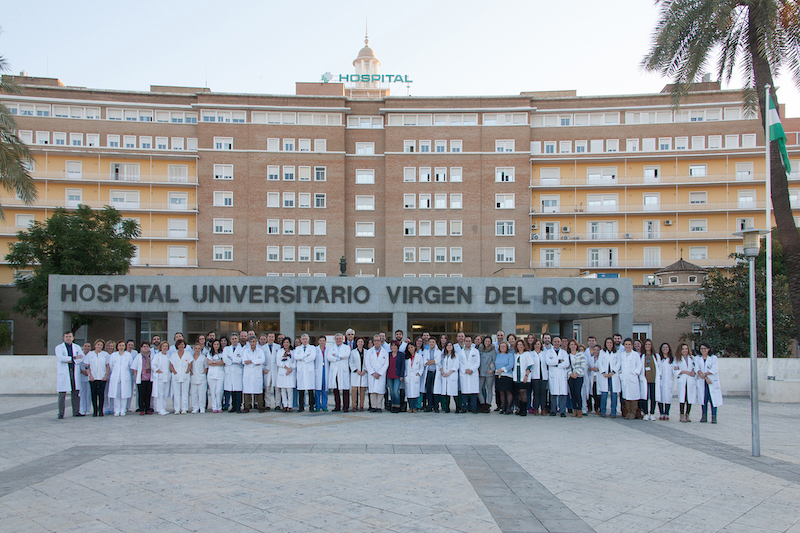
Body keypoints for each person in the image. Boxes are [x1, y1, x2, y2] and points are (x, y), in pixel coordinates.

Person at [55, 331, 85, 419]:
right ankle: (61, 413)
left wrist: (71, 360)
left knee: (75, 392)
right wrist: (74, 358)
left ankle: (76, 411)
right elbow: (61, 358)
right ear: (63, 338)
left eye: (70, 336)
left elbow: (81, 358)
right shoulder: (59, 347)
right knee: (62, 394)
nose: (68, 338)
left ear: (73, 338)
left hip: (74, 371)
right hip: (65, 372)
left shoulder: (77, 347)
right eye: (66, 336)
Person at [695, 342, 722, 423]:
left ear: (708, 349)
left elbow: (714, 369)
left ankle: (714, 417)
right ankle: (704, 416)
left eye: (705, 348)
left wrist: (705, 375)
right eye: (702, 349)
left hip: (712, 381)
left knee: (713, 399)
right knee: (704, 399)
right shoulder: (697, 358)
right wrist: (704, 376)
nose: (703, 350)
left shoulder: (713, 358)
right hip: (702, 381)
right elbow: (697, 368)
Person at [108, 340, 133, 416]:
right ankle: (116, 410)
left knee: (124, 394)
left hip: (125, 377)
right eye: (120, 345)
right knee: (116, 394)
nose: (121, 347)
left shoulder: (128, 355)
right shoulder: (113, 355)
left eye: (123, 345)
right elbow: (111, 366)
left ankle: (123, 410)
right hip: (116, 377)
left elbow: (130, 366)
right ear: (117, 346)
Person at [85, 338, 109, 417]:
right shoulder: (90, 354)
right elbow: (87, 366)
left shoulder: (105, 355)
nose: (99, 346)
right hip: (93, 378)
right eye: (98, 344)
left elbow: (107, 366)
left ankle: (101, 410)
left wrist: (106, 375)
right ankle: (95, 410)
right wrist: (89, 375)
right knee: (93, 394)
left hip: (102, 377)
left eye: (101, 345)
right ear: (95, 345)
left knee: (101, 394)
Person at [241, 335, 265, 413]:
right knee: (247, 390)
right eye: (250, 342)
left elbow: (262, 360)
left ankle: (260, 406)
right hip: (248, 373)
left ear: (256, 342)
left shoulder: (260, 350)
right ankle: (247, 406)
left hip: (256, 373)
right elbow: (244, 361)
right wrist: (255, 362)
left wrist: (251, 361)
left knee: (258, 390)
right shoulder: (245, 351)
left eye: (253, 342)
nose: (252, 343)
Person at [327, 333, 351, 412]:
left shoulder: (346, 347)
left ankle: (345, 407)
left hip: (343, 370)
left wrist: (336, 355)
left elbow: (346, 355)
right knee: (336, 389)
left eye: (340, 338)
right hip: (335, 371)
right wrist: (338, 358)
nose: (338, 340)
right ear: (334, 339)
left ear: (343, 339)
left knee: (345, 389)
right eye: (337, 338)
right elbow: (329, 357)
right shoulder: (331, 347)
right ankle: (337, 406)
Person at [546, 336, 569, 417]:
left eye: (558, 342)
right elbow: (548, 362)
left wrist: (556, 365)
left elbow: (566, 363)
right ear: (553, 342)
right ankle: (553, 410)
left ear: (560, 343)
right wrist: (559, 361)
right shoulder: (549, 352)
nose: (556, 343)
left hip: (562, 374)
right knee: (553, 394)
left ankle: (562, 411)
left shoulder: (564, 352)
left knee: (563, 393)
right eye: (555, 341)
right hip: (553, 375)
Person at [597, 337, 620, 418]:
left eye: (610, 343)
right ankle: (603, 411)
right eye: (608, 343)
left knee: (614, 394)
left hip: (613, 375)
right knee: (604, 394)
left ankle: (613, 412)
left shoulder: (617, 352)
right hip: (605, 375)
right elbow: (599, 362)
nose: (609, 344)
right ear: (605, 344)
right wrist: (603, 372)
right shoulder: (602, 352)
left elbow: (618, 363)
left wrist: (613, 372)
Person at [294, 334, 317, 412]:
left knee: (310, 391)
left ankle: (311, 406)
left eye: (306, 339)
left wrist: (302, 358)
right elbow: (296, 356)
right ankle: (301, 407)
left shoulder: (312, 348)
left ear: (308, 340)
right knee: (301, 391)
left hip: (309, 371)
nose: (304, 340)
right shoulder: (297, 348)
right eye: (303, 339)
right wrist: (305, 356)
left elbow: (312, 357)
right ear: (301, 340)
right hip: (301, 371)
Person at [620, 338, 642, 420]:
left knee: (633, 396)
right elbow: (619, 365)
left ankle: (633, 412)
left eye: (629, 344)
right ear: (624, 345)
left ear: (631, 345)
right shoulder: (622, 354)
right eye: (626, 344)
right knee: (626, 396)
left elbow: (639, 365)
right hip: (625, 378)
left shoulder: (635, 354)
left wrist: (635, 373)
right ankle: (628, 412)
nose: (627, 346)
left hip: (632, 378)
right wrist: (620, 374)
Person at [366, 334, 389, 413]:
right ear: (373, 342)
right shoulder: (369, 352)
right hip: (372, 375)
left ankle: (379, 406)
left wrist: (379, 373)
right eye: (375, 341)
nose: (376, 342)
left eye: (378, 341)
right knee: (372, 391)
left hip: (380, 375)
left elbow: (386, 364)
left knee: (380, 391)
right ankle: (373, 406)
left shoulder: (385, 352)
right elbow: (367, 363)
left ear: (381, 342)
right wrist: (373, 373)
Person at [434, 341, 459, 413]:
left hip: (452, 375)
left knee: (454, 393)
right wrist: (442, 372)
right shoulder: (443, 355)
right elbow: (440, 364)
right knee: (446, 393)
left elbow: (455, 366)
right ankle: (447, 408)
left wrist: (448, 373)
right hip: (444, 375)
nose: (449, 347)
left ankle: (457, 408)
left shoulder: (455, 355)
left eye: (450, 345)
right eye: (447, 345)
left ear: (452, 347)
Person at [674, 343, 696, 422]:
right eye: (683, 349)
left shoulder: (692, 358)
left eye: (686, 349)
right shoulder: (677, 359)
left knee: (689, 398)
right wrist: (684, 371)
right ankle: (682, 415)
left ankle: (688, 415)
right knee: (682, 398)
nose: (685, 350)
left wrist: (694, 372)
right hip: (682, 380)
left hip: (690, 380)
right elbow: (675, 370)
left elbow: (695, 368)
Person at [169, 339, 192, 414]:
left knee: (185, 393)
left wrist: (187, 371)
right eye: (179, 345)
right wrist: (174, 372)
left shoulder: (188, 354)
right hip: (176, 376)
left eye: (182, 344)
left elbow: (190, 363)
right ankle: (177, 409)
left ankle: (184, 408)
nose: (181, 346)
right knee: (176, 393)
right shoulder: (173, 354)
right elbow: (171, 365)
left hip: (185, 375)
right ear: (177, 346)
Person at [130, 341, 153, 416]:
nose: (145, 348)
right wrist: (136, 377)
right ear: (141, 348)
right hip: (141, 378)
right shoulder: (139, 356)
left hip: (150, 378)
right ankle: (141, 409)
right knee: (141, 394)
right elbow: (134, 368)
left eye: (147, 346)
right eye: (144, 346)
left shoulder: (151, 356)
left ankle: (147, 408)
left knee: (148, 394)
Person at [459, 336, 480, 414]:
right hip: (464, 373)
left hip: (473, 373)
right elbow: (460, 363)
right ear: (464, 342)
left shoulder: (476, 351)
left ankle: (473, 407)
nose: (468, 342)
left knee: (473, 391)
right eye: (466, 341)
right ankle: (464, 407)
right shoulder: (460, 352)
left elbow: (477, 362)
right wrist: (465, 370)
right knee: (464, 391)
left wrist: (471, 369)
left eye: (469, 341)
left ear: (472, 342)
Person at [640, 339, 661, 421]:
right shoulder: (642, 356)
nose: (647, 346)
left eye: (649, 344)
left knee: (653, 397)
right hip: (644, 379)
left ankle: (652, 413)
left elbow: (659, 367)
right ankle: (645, 413)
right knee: (645, 396)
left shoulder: (656, 356)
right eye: (646, 344)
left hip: (653, 379)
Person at [511, 339, 533, 416]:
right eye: (518, 345)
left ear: (524, 346)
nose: (519, 346)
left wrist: (526, 375)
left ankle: (524, 410)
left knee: (523, 392)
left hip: (524, 376)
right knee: (519, 393)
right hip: (516, 377)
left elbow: (530, 365)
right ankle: (520, 409)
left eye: (521, 345)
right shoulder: (515, 354)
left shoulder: (527, 354)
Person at [223, 333, 244, 413]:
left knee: (238, 390)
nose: (234, 340)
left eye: (235, 338)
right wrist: (234, 360)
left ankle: (238, 406)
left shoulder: (241, 349)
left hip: (237, 371)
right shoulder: (226, 349)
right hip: (229, 371)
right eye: (233, 339)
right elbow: (225, 359)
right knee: (232, 390)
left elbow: (240, 360)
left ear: (237, 339)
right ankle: (233, 406)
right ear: (230, 340)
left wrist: (231, 358)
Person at [566, 340, 587, 417]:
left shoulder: (580, 354)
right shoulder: (568, 355)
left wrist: (577, 373)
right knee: (572, 393)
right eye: (571, 344)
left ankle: (580, 409)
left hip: (579, 376)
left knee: (577, 392)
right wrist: (570, 374)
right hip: (571, 376)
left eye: (574, 345)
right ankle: (574, 409)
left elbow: (583, 365)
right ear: (569, 346)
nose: (573, 346)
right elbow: (567, 366)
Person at [275, 337, 296, 412]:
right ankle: (285, 405)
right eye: (284, 342)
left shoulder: (293, 352)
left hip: (290, 372)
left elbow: (295, 362)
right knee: (283, 390)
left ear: (290, 343)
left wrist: (291, 369)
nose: (286, 344)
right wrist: (286, 368)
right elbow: (278, 362)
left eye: (287, 342)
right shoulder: (280, 351)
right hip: (282, 371)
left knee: (289, 390)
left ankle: (290, 406)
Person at [528, 338, 548, 416]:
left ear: (541, 345)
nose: (537, 346)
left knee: (543, 393)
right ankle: (536, 408)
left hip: (543, 376)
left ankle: (543, 409)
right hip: (535, 376)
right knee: (536, 393)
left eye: (538, 344)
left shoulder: (544, 353)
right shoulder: (531, 354)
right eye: (536, 344)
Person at [151, 341, 171, 415]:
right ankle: (160, 409)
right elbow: (153, 365)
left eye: (166, 346)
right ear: (161, 347)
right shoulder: (157, 356)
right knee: (160, 394)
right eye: (163, 346)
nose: (165, 347)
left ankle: (164, 408)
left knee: (165, 394)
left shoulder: (169, 356)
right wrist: (157, 370)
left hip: (167, 377)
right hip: (160, 377)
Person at [494, 341, 514, 415]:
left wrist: (502, 369)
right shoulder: (497, 355)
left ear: (507, 347)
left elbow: (511, 365)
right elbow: (495, 364)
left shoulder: (510, 355)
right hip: (498, 375)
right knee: (501, 392)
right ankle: (503, 408)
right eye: (501, 346)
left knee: (508, 391)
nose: (502, 348)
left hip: (507, 375)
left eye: (504, 346)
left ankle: (508, 408)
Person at [349, 337, 368, 412]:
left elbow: (368, 362)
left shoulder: (367, 352)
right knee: (354, 391)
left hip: (363, 373)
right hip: (355, 373)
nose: (360, 343)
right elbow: (351, 362)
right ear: (356, 343)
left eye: (361, 342)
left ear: (363, 343)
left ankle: (361, 406)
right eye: (358, 342)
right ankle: (354, 406)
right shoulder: (353, 352)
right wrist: (357, 370)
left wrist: (364, 370)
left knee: (362, 391)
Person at [422, 338, 441, 412]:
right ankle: (429, 406)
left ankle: (436, 406)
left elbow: (437, 361)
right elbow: (424, 362)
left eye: (433, 342)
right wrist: (432, 361)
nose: (431, 343)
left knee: (436, 390)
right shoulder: (426, 351)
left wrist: (431, 361)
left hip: (435, 372)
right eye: (430, 342)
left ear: (435, 343)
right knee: (429, 389)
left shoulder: (438, 352)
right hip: (428, 372)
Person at [260, 333, 278, 411]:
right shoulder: (262, 348)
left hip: (275, 370)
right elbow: (260, 360)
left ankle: (277, 404)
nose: (271, 338)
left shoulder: (278, 347)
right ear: (267, 338)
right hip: (267, 370)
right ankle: (267, 404)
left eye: (272, 337)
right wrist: (262, 368)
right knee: (267, 388)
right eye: (269, 337)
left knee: (277, 389)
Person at [478, 336, 496, 413]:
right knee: (479, 389)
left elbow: (495, 361)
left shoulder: (493, 351)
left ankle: (488, 405)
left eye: (489, 341)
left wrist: (492, 370)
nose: (487, 343)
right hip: (481, 372)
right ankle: (483, 404)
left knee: (489, 390)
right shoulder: (480, 350)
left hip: (489, 373)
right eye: (486, 341)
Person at [386, 340, 405, 413]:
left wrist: (401, 375)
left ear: (397, 346)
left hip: (397, 375)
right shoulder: (388, 354)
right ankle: (393, 405)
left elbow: (403, 366)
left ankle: (397, 405)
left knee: (395, 391)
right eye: (392, 345)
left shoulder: (401, 355)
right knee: (391, 391)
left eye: (395, 345)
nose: (393, 347)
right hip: (389, 375)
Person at [206, 340, 225, 412]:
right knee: (213, 391)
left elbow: (222, 362)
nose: (216, 345)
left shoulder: (222, 353)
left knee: (219, 391)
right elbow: (208, 362)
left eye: (217, 344)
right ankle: (214, 407)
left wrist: (213, 362)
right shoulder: (209, 353)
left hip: (220, 374)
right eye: (215, 344)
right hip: (211, 374)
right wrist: (217, 362)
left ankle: (219, 406)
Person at [189, 342, 208, 413]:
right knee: (194, 394)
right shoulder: (191, 357)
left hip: (201, 377)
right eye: (196, 348)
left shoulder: (203, 357)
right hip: (193, 377)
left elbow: (206, 367)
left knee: (202, 393)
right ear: (193, 349)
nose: (197, 350)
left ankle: (202, 407)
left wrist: (203, 373)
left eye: (198, 348)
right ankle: (195, 408)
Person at [657, 343, 674, 420]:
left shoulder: (672, 359)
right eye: (663, 347)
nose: (665, 349)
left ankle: (667, 413)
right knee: (660, 397)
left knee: (668, 397)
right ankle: (661, 413)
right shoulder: (658, 358)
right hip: (660, 380)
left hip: (668, 381)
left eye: (666, 347)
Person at [404, 343, 423, 413]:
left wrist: (419, 374)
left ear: (415, 347)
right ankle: (410, 407)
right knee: (409, 393)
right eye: (409, 348)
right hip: (408, 376)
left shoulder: (419, 356)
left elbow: (421, 367)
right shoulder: (406, 357)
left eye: (411, 347)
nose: (410, 349)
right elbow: (404, 368)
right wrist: (405, 375)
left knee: (415, 393)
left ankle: (414, 407)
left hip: (415, 376)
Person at [582, 336, 599, 414]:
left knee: (596, 392)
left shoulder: (600, 351)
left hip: (598, 376)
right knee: (588, 392)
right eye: (590, 341)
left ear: (595, 342)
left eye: (593, 341)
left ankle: (596, 408)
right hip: (588, 375)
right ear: (588, 342)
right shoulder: (586, 352)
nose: (591, 342)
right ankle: (589, 407)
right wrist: (591, 368)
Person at [315, 336, 329, 412]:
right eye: (320, 340)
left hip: (325, 371)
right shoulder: (315, 349)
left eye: (323, 340)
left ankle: (324, 406)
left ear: (325, 342)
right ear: (318, 342)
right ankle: (317, 406)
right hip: (318, 371)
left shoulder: (328, 350)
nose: (322, 342)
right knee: (317, 390)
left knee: (324, 390)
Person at [78, 342, 92, 416]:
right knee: (82, 393)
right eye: (85, 346)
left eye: (88, 346)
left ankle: (87, 409)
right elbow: (77, 365)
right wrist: (82, 371)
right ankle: (82, 408)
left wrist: (89, 372)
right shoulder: (80, 356)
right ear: (83, 347)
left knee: (88, 393)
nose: (87, 347)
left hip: (90, 376)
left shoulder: (92, 355)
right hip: (82, 375)